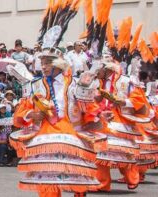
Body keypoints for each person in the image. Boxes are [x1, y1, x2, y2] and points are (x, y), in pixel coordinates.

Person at [10, 55, 99, 197]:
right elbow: (21, 111)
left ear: (58, 64)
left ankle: (79, 191)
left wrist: (98, 118)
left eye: (48, 63)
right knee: (46, 173)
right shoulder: (34, 85)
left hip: (72, 133)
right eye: (42, 63)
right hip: (44, 135)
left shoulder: (75, 83)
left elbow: (89, 108)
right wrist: (32, 115)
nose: (43, 67)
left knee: (76, 171)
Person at [89, 62, 144, 191]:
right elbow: (87, 100)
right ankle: (102, 183)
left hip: (121, 121)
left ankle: (132, 177)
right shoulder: (95, 82)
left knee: (122, 150)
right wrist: (95, 100)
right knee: (99, 152)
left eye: (99, 69)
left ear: (107, 69)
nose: (96, 72)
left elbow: (139, 100)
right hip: (101, 119)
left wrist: (123, 101)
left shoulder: (126, 81)